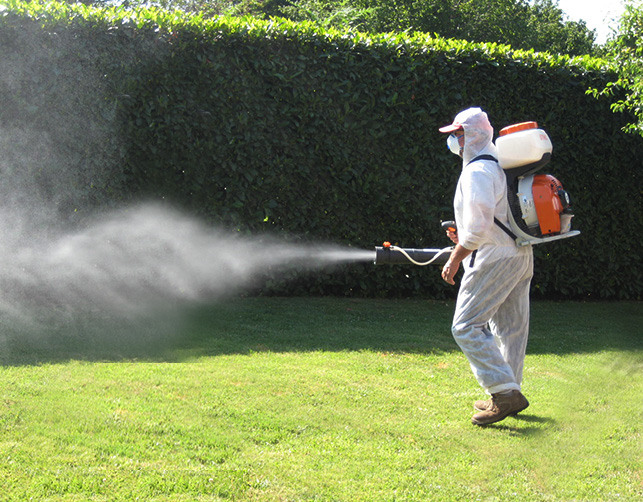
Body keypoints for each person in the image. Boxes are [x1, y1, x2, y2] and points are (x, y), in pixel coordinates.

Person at [438, 107, 534, 426]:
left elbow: (479, 230)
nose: (455, 140)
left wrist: (455, 258)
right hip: (518, 254)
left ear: (475, 134)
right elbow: (491, 218)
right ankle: (509, 391)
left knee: (465, 326)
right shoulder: (496, 165)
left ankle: (504, 393)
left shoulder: (478, 171)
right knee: (510, 328)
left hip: (494, 257)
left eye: (459, 134)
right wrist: (461, 230)